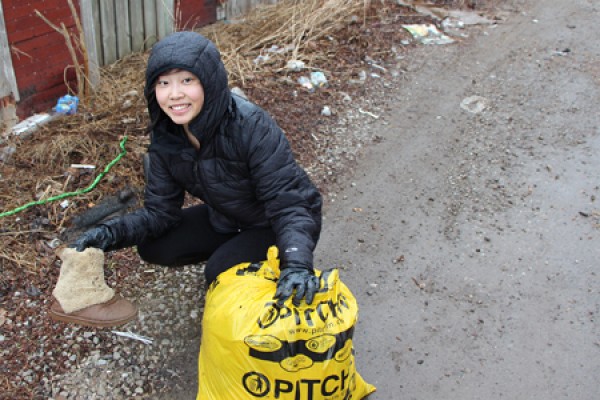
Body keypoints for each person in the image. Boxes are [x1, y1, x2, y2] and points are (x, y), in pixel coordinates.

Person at [71, 31, 323, 306]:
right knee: (155, 246)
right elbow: (159, 213)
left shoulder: (250, 126)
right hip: (227, 217)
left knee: (218, 273)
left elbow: (289, 204)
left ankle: (258, 263)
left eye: (187, 80)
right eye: (164, 83)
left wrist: (297, 262)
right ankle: (238, 254)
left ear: (209, 82)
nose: (174, 94)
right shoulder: (166, 135)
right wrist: (109, 233)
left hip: (275, 221)